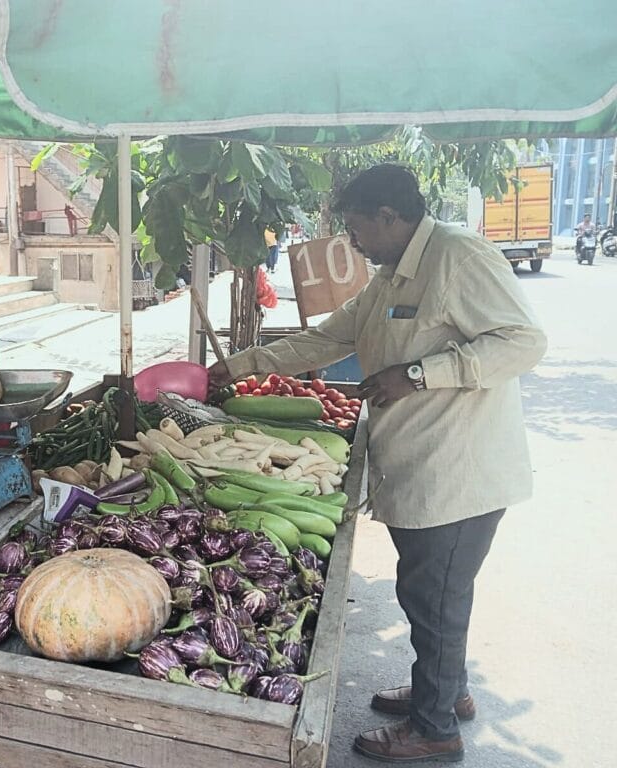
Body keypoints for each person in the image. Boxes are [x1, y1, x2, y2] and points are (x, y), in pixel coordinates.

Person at [209, 164, 546, 764]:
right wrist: (241, 364)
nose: (352, 242)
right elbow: (328, 340)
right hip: (417, 466)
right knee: (432, 594)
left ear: (390, 216)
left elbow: (523, 342)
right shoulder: (390, 276)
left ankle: (435, 728)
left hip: (457, 473)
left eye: (358, 227)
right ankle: (447, 691)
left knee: (436, 598)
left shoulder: (459, 257)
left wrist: (418, 374)